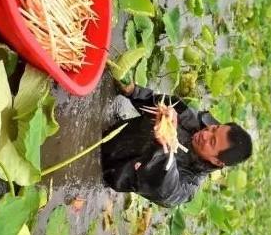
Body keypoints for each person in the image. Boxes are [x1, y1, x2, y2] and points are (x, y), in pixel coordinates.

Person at [101, 82, 252, 208]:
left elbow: (166, 190)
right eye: (214, 129)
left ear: (217, 161)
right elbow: (166, 103)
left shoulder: (189, 185)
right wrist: (135, 92)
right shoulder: (197, 123)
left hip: (106, 168)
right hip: (110, 133)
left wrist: (166, 148)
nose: (205, 134)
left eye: (212, 142)